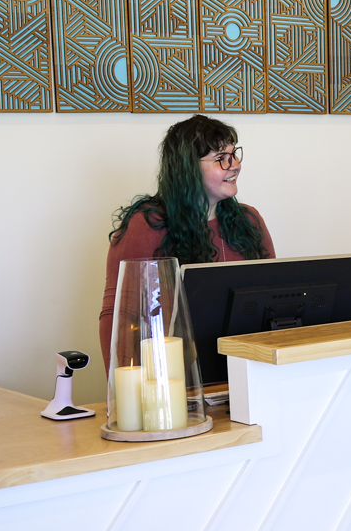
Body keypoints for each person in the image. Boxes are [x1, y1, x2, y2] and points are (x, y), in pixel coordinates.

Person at [99, 115, 273, 359]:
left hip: (245, 365)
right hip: (176, 373)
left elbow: (272, 301)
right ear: (187, 167)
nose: (234, 164)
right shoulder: (146, 225)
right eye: (220, 158)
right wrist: (122, 389)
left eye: (234, 155)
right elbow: (119, 316)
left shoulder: (250, 220)